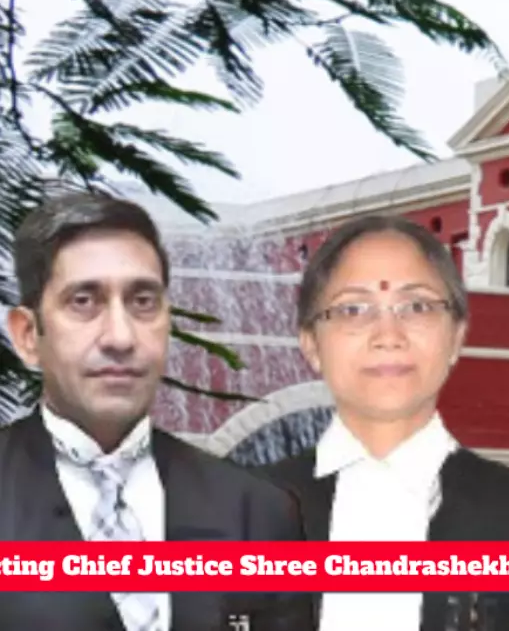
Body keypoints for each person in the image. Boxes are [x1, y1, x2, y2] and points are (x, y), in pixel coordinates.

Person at [0, 191, 315, 631]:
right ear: (27, 335)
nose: (121, 337)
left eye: (143, 301)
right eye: (84, 301)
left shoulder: (256, 512)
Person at [261, 214, 509, 631]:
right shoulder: (245, 513)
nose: (388, 335)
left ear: (456, 337)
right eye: (353, 309)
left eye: (417, 306)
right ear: (311, 344)